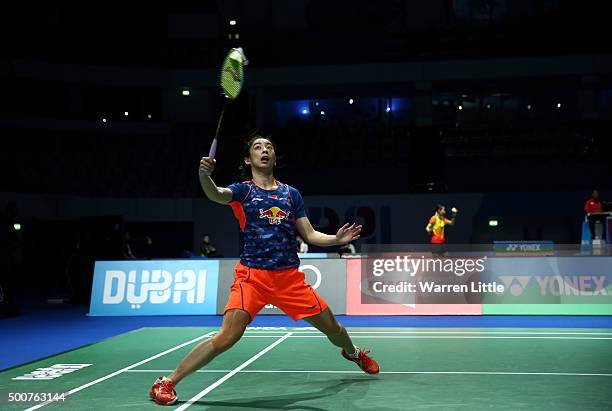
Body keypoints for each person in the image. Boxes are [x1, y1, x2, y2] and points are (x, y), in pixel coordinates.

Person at [149, 132, 379, 405]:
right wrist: (204, 176)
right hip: (252, 277)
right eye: (258, 147)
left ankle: (352, 353)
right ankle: (166, 382)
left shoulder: (290, 194)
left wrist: (335, 240)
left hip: (289, 279)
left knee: (334, 328)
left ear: (273, 156)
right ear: (248, 159)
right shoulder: (243, 191)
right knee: (227, 337)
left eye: (269, 146)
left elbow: (310, 234)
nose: (264, 150)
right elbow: (216, 194)